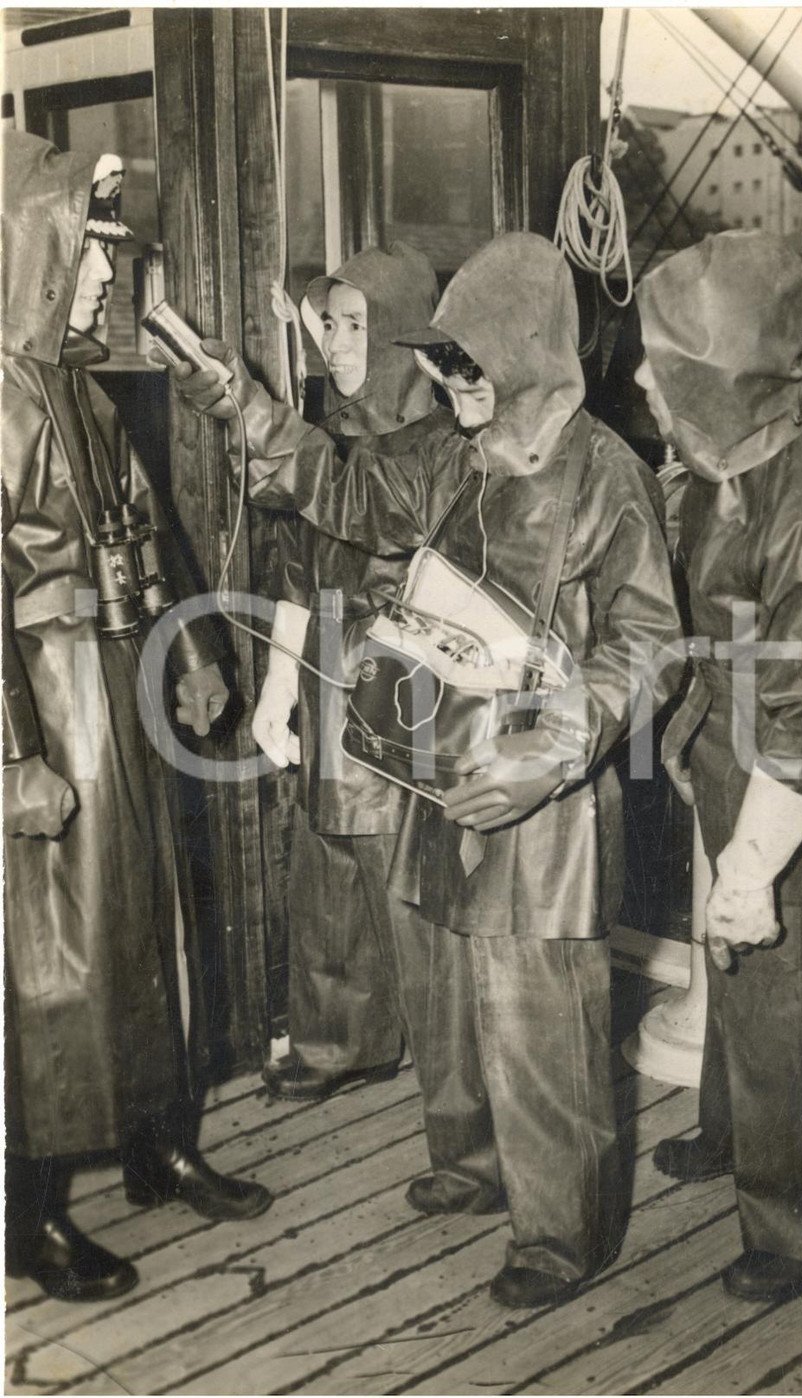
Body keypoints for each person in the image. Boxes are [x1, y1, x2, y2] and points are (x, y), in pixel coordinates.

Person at [164, 231, 684, 1309]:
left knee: (542, 1014)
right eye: (440, 363)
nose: (448, 384)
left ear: (531, 353)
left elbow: (647, 646)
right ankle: (473, 1161)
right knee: (447, 987)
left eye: (467, 363)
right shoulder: (450, 456)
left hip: (540, 797)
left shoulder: (609, 479)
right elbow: (345, 490)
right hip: (435, 768)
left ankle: (561, 1232)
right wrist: (237, 404)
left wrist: (551, 752)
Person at [2, 131, 272, 1304]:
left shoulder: (85, 393)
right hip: (49, 709)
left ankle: (158, 1143)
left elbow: (150, 537)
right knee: (44, 964)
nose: (109, 280)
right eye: (90, 256)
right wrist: (14, 758)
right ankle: (28, 1209)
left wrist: (199, 656)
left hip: (120, 696)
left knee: (145, 926)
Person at [635, 231, 802, 1303]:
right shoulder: (730, 465)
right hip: (736, 742)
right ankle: (739, 1131)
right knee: (745, 975)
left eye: (667, 362)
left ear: (726, 376)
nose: (642, 378)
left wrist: (750, 863)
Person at [250, 244, 452, 1102]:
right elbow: (297, 573)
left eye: (356, 324)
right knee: (328, 856)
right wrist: (274, 691)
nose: (334, 343)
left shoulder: (440, 446)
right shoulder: (325, 442)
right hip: (327, 660)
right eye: (328, 323)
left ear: (405, 336)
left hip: (405, 675)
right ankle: (340, 1042)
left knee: (399, 871)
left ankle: (448, 1068)